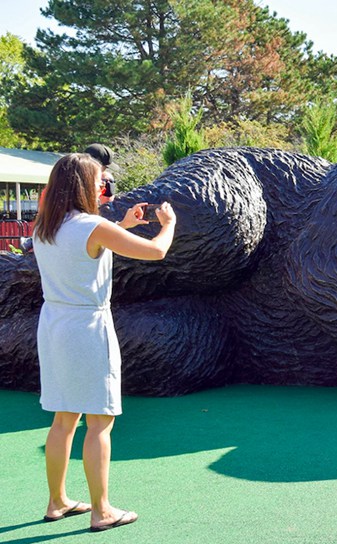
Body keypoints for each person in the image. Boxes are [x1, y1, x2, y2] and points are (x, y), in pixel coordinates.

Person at [33, 153, 175, 532]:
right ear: (83, 185)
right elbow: (157, 251)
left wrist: (122, 224)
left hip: (54, 325)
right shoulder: (93, 227)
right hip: (87, 327)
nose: (103, 187)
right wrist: (168, 224)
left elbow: (85, 248)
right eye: (99, 181)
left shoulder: (45, 228)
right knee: (100, 422)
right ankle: (102, 511)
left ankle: (57, 501)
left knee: (64, 419)